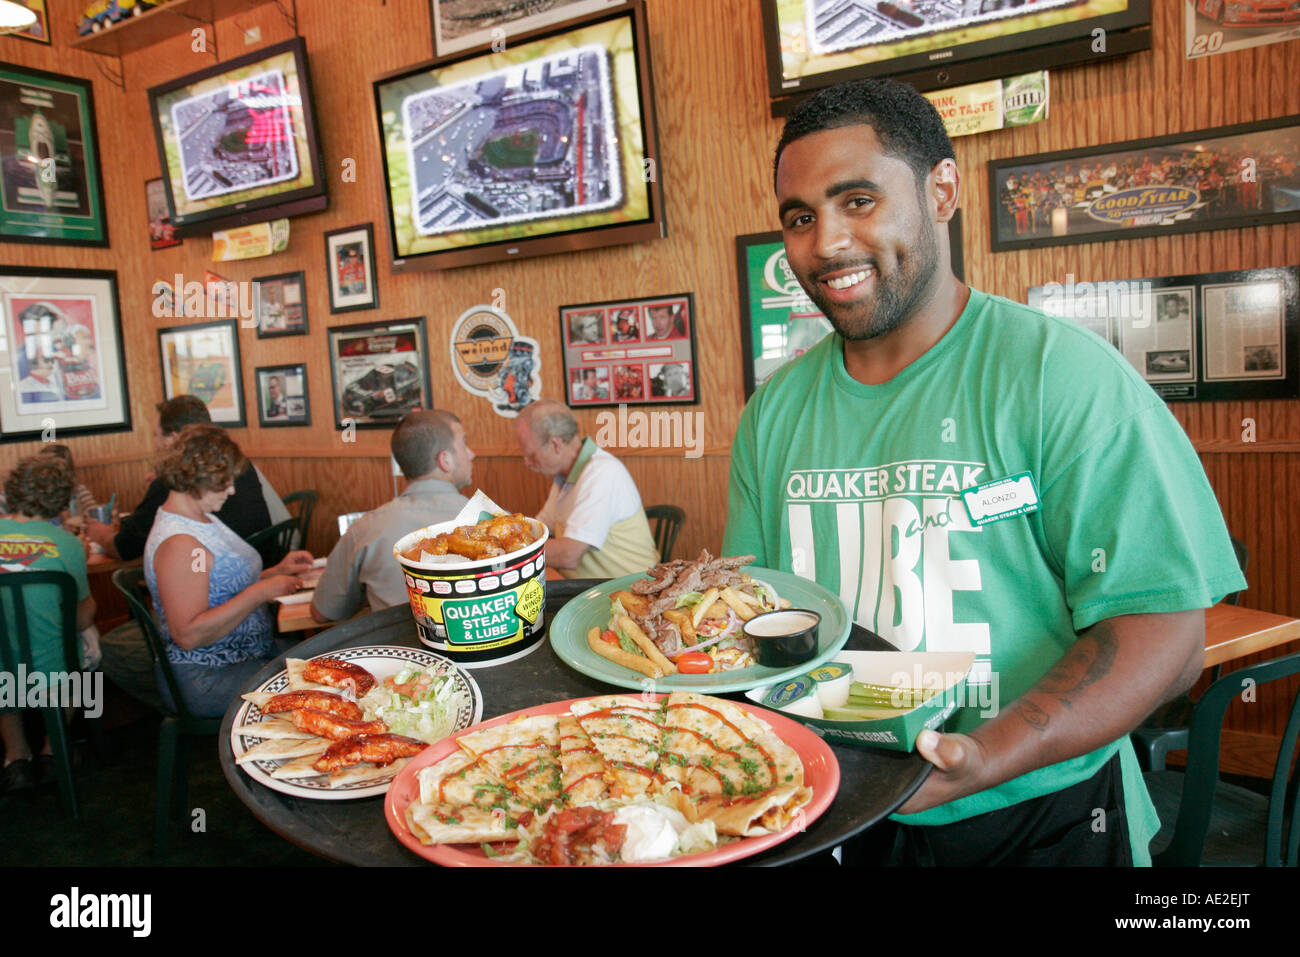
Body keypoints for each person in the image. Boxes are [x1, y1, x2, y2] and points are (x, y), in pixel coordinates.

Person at [722, 78, 1244, 866]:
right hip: (844, 809)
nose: (824, 243)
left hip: (1045, 813)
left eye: (857, 200)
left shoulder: (1061, 375)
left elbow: (1168, 637)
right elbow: (751, 622)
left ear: (943, 190)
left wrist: (983, 759)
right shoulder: (773, 414)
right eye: (800, 217)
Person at [144, 425, 312, 718]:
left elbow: (215, 585)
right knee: (321, 689)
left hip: (246, 656)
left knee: (328, 663)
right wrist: (258, 593)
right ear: (197, 479)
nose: (232, 490)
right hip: (207, 675)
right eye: (223, 483)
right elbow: (188, 634)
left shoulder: (199, 518)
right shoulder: (180, 543)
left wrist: (274, 573)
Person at [85, 395, 290, 566]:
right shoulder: (191, 545)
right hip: (260, 564)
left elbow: (125, 547)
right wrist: (260, 589)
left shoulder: (193, 534)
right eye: (222, 485)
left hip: (255, 569)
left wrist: (269, 579)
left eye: (157, 436)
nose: (231, 491)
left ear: (176, 439)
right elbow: (197, 601)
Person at [311, 410, 474, 622]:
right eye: (464, 444)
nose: (471, 454)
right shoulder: (497, 523)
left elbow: (322, 613)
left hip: (399, 652)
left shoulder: (365, 530)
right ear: (445, 460)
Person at [0, 455, 95, 792]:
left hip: (3, 672)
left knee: (5, 663)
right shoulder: (68, 545)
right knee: (88, 651)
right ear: (60, 500)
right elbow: (82, 617)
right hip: (54, 668)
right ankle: (53, 750)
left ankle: (17, 758)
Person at [515, 399, 658, 579]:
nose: (526, 463)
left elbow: (568, 555)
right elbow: (540, 529)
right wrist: (503, 531)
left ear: (555, 445)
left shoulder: (602, 472)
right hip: (588, 587)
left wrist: (509, 551)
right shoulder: (564, 475)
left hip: (629, 588)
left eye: (530, 455)